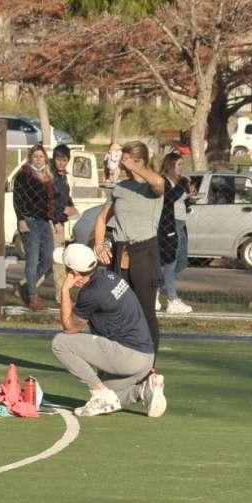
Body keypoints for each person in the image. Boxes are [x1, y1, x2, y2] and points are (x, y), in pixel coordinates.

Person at [51, 243, 166, 418]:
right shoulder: (109, 277)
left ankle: (100, 394)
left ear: (74, 273)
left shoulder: (91, 293)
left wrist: (65, 290)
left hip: (129, 356)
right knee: (111, 392)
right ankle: (144, 390)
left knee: (60, 343)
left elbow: (69, 327)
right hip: (145, 358)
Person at [92, 140, 165, 355]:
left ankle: (149, 361)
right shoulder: (120, 188)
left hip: (145, 252)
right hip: (121, 251)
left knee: (145, 310)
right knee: (118, 307)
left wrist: (135, 167)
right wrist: (99, 245)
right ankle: (119, 357)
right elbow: (102, 218)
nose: (122, 164)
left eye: (126, 160)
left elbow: (159, 183)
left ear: (139, 161)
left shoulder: (151, 186)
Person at [12, 145, 56, 310]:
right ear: (30, 158)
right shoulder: (23, 175)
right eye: (35, 156)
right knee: (32, 259)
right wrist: (21, 219)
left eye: (41, 156)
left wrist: (55, 219)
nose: (38, 159)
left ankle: (24, 285)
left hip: (44, 222)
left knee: (48, 259)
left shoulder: (48, 177)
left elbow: (52, 201)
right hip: (29, 221)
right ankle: (32, 296)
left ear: (45, 159)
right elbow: (17, 199)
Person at [157, 151, 194, 315]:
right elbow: (169, 199)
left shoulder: (178, 183)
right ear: (170, 165)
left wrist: (190, 198)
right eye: (179, 165)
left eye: (182, 165)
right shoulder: (164, 181)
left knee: (182, 262)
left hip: (181, 224)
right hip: (169, 226)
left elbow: (180, 203)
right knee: (170, 263)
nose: (181, 168)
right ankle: (173, 300)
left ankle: (155, 289)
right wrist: (183, 184)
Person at [49, 144, 79, 295]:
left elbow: (65, 197)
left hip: (60, 220)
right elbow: (49, 202)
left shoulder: (63, 177)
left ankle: (25, 285)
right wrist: (57, 220)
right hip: (52, 222)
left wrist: (71, 206)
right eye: (58, 159)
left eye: (64, 160)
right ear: (54, 159)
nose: (61, 163)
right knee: (59, 258)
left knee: (52, 260)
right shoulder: (51, 176)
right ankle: (61, 296)